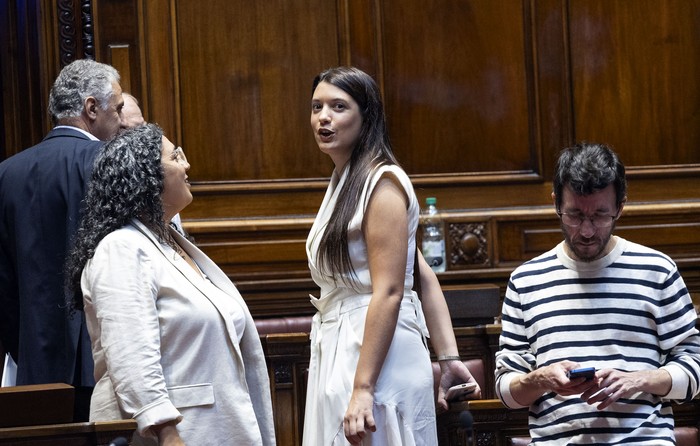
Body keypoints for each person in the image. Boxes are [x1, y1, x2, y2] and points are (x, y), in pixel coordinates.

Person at [64, 124, 275, 445]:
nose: (187, 165)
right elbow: (130, 352)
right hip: (170, 434)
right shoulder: (121, 248)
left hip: (215, 426)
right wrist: (165, 429)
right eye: (175, 156)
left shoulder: (170, 245)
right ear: (145, 174)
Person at [303, 66, 480, 446]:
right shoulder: (345, 181)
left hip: (378, 355)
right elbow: (422, 272)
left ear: (366, 116)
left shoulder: (382, 182)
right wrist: (448, 358)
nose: (323, 117)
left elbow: (391, 290)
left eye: (338, 106)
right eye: (317, 107)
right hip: (344, 345)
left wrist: (363, 386)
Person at [495, 142, 700, 445]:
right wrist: (540, 379)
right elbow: (506, 391)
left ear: (620, 206)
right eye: (574, 215)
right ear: (555, 204)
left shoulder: (656, 270)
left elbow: (695, 369)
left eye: (601, 215)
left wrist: (639, 379)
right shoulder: (525, 280)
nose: (587, 231)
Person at [0, 59, 124, 420]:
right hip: (104, 367)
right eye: (117, 109)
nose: (121, 121)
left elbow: (4, 285)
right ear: (91, 108)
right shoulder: (108, 162)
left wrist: (26, 349)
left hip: (34, 368)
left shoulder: (6, 173)